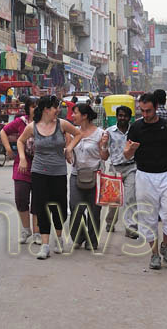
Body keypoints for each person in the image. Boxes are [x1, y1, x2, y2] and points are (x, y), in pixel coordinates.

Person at [125, 90, 167, 271]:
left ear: (156, 108)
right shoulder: (136, 128)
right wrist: (132, 149)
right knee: (148, 218)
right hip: (144, 177)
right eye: (142, 111)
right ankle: (154, 254)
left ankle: (166, 246)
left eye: (149, 111)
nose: (145, 115)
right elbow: (126, 153)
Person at [16, 95, 80, 259]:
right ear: (46, 109)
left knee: (58, 207)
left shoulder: (62, 124)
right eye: (55, 107)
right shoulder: (33, 127)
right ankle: (45, 245)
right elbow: (20, 141)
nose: (58, 110)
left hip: (58, 172)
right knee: (41, 206)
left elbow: (78, 134)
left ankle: (58, 238)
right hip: (38, 172)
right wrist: (22, 158)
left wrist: (69, 148)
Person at [67, 102, 108, 251]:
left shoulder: (100, 133)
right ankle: (79, 237)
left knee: (94, 210)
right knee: (75, 208)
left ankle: (92, 239)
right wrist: (67, 151)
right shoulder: (72, 132)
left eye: (75, 113)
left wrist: (103, 146)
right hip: (76, 175)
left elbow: (104, 157)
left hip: (95, 175)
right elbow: (69, 157)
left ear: (84, 116)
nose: (72, 116)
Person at [0, 96, 37, 243]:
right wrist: (8, 148)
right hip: (22, 165)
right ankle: (26, 229)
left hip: (41, 165)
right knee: (21, 198)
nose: (36, 109)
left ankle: (38, 232)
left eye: (38, 106)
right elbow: (3, 131)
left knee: (38, 201)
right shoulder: (21, 122)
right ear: (28, 108)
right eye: (33, 106)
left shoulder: (46, 123)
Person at [104, 105, 140, 239]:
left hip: (131, 168)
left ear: (129, 117)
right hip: (115, 168)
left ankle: (131, 228)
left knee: (130, 198)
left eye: (125, 116)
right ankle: (110, 222)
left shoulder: (135, 131)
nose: (122, 118)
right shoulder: (109, 132)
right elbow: (104, 153)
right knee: (113, 201)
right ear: (117, 116)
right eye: (120, 115)